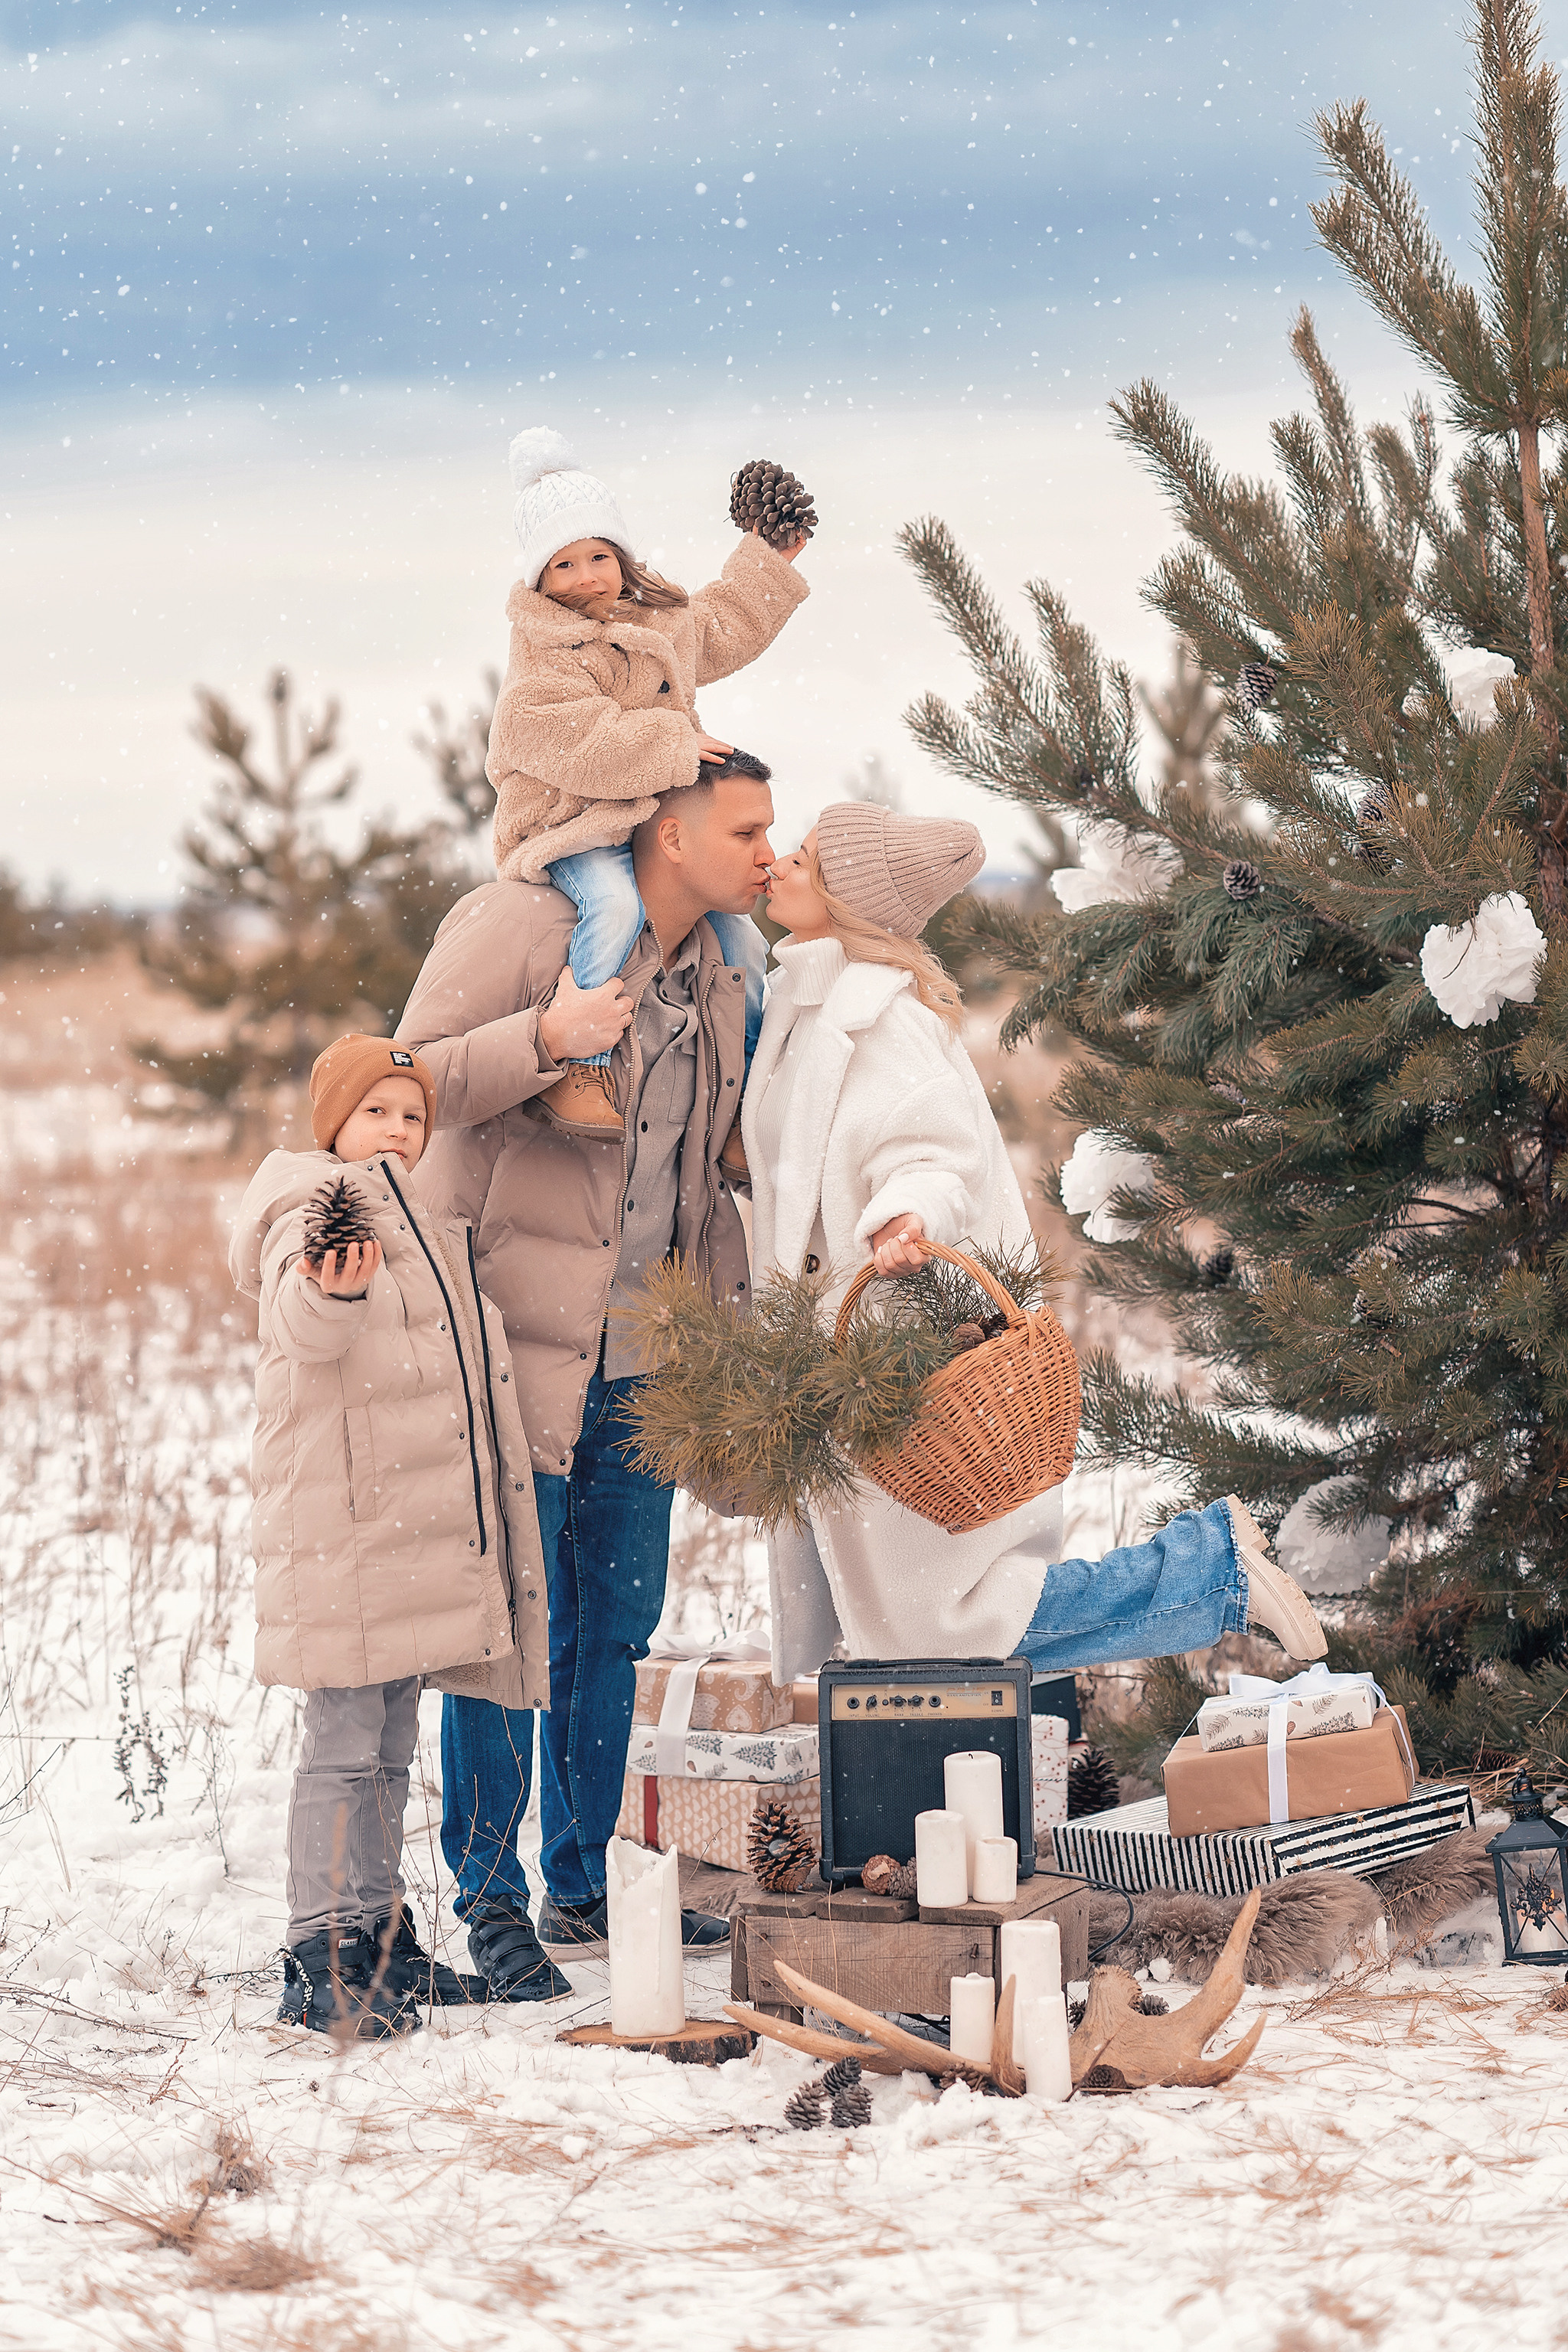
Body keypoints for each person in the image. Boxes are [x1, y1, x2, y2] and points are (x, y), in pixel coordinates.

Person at [750, 804, 1328, 1681]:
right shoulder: (806, 1004)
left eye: (803, 857)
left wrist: (905, 1213)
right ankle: (1207, 1571)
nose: (780, 865)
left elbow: (931, 1149)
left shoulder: (878, 1018)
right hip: (849, 1362)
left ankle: (1209, 1568)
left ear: (846, 898)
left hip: (901, 1358)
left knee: (952, 1623)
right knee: (925, 1632)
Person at [397, 750, 779, 1978]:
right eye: (747, 831)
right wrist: (544, 1038)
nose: (768, 853)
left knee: (613, 1628)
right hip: (512, 1346)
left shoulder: (723, 968)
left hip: (648, 1358)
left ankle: (580, 1886)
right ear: (671, 836)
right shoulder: (519, 922)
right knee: (511, 1629)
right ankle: (491, 1902)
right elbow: (407, 1085)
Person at [228, 1034, 564, 2038]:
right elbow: (302, 1318)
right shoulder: (312, 1207)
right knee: (342, 1748)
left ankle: (377, 1940)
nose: (398, 1129)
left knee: (386, 1748)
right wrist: (332, 1290)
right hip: (346, 1532)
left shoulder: (421, 1221)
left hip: (399, 1536)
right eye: (376, 1111)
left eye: (413, 1115)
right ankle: (319, 1956)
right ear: (335, 1122)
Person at [488, 424, 808, 1146]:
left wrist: (767, 561)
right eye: (564, 564)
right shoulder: (542, 656)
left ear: (623, 557)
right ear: (540, 578)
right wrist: (673, 744)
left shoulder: (652, 623)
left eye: (599, 557)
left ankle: (745, 1098)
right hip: (568, 824)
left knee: (741, 940)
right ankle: (584, 1068)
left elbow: (719, 626)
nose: (586, 577)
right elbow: (578, 740)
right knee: (613, 904)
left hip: (648, 819)